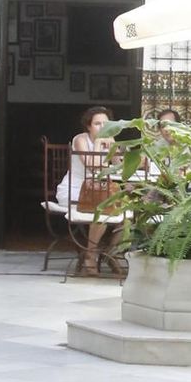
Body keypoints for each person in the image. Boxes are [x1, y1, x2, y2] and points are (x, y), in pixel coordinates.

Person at [52, 105, 119, 275]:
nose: (102, 127)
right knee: (102, 210)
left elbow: (119, 166)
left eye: (105, 124)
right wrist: (98, 144)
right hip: (74, 190)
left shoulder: (110, 140)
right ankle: (90, 254)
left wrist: (115, 148)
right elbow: (92, 166)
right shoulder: (80, 139)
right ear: (88, 126)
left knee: (126, 213)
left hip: (98, 191)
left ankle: (112, 253)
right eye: (97, 124)